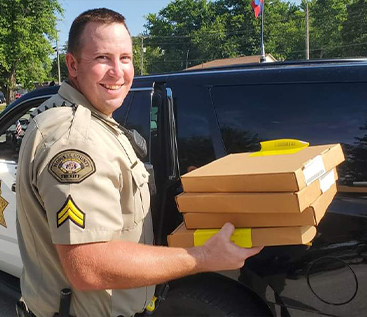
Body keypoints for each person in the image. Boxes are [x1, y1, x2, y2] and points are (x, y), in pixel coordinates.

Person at [16, 8, 262, 317]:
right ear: (73, 65)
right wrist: (202, 257)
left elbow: (117, 197)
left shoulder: (92, 120)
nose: (118, 72)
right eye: (103, 58)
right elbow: (89, 266)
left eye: (125, 58)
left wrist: (190, 186)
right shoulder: (76, 140)